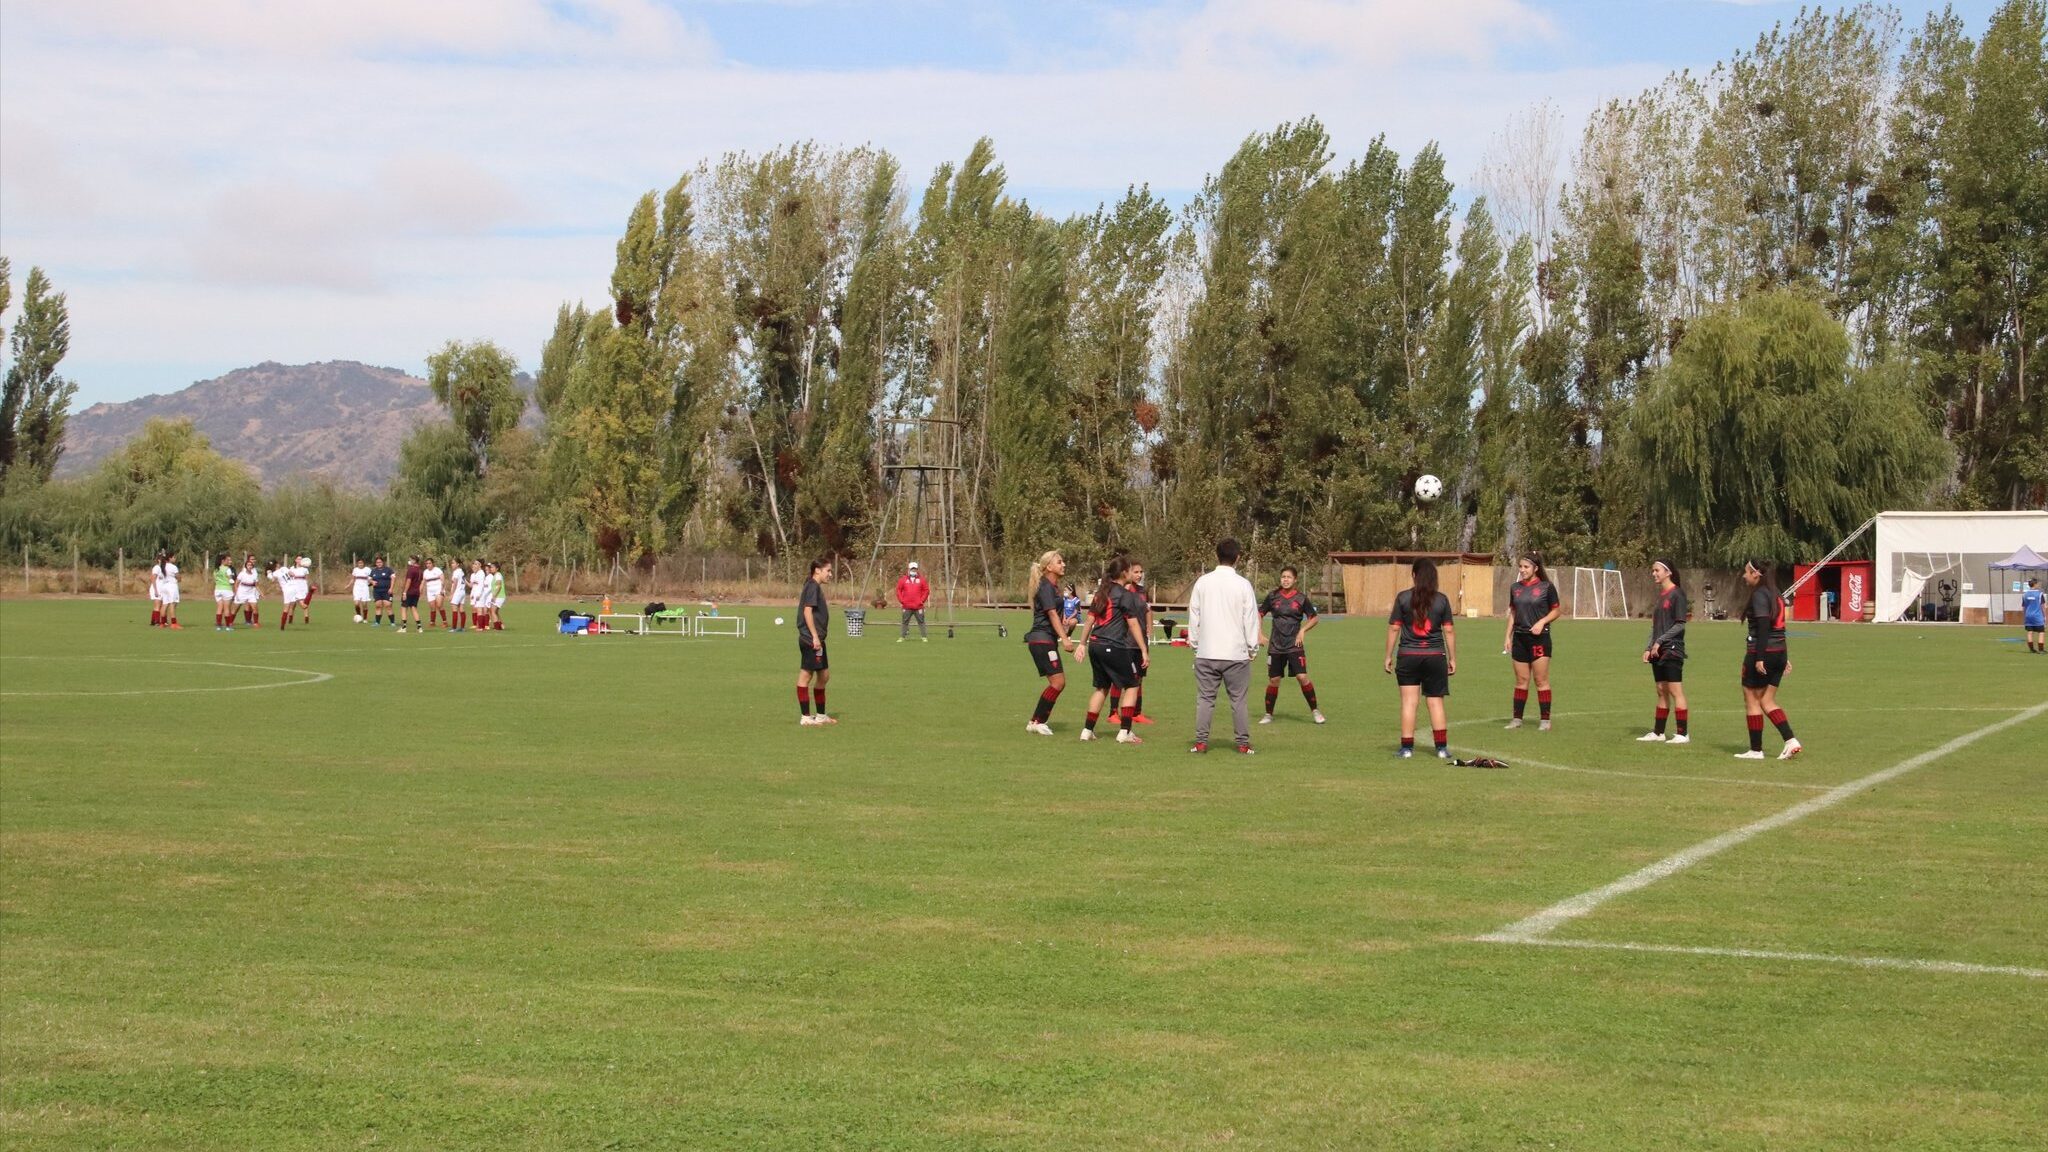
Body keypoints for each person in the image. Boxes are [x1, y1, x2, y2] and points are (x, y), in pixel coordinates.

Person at [1186, 538, 1260, 754]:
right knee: (1239, 701)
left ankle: (1201, 742)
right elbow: (1250, 619)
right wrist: (1252, 647)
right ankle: (1243, 744)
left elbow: (1194, 614)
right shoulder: (1243, 584)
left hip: (1207, 652)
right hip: (1236, 654)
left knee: (1205, 700)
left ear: (1217, 555)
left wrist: (1196, 643)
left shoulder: (1203, 582)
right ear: (1237, 557)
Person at [1073, 556, 1150, 744]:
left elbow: (1090, 620)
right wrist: (1144, 650)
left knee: (1102, 688)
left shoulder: (1102, 592)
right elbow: (1132, 624)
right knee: (1132, 685)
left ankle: (1087, 730)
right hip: (1113, 646)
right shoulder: (1125, 595)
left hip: (1095, 645)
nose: (1134, 573)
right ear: (1124, 573)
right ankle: (1125, 732)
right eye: (1131, 570)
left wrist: (1082, 644)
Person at [1385, 558, 1456, 759]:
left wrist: (1388, 656)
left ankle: (1407, 749)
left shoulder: (1403, 598)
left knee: (1409, 702)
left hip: (1408, 655)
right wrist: (1452, 658)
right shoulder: (1442, 599)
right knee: (1435, 702)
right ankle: (1441, 749)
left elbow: (1394, 627)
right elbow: (1449, 631)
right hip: (1435, 656)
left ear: (1414, 575)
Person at [1737, 560, 1801, 760]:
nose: (1744, 575)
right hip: (1779, 651)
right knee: (1767, 700)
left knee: (1751, 698)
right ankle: (1791, 741)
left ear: (1756, 574)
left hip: (1762, 652)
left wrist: (1760, 658)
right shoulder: (1777, 593)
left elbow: (1764, 627)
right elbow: (1779, 628)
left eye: (1746, 572)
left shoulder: (1759, 595)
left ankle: (1756, 750)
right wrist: (1784, 657)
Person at [1022, 550, 1079, 735]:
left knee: (1058, 683)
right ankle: (1037, 721)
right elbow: (1051, 614)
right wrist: (1065, 639)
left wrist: (1066, 624)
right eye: (1059, 562)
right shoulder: (1045, 586)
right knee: (1058, 682)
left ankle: (1036, 721)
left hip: (1046, 639)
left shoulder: (1053, 587)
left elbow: (1056, 615)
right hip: (1041, 640)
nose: (1064, 565)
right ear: (1049, 567)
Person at [1258, 565, 1324, 725]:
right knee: (1274, 680)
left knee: (1302, 677)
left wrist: (1302, 631)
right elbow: (1259, 614)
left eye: (1288, 577)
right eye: (1283, 577)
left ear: (1295, 580)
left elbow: (1314, 618)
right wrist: (1258, 634)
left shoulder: (1301, 598)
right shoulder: (1273, 596)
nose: (1285, 580)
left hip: (1294, 645)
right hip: (1276, 646)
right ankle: (1268, 714)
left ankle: (1315, 711)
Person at [1503, 553, 1561, 730]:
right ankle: (1517, 719)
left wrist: (1542, 621)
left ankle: (1545, 721)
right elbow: (1513, 612)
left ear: (1536, 568)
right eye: (1520, 567)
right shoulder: (1515, 588)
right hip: (1520, 638)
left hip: (1539, 639)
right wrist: (1507, 636)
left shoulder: (1546, 587)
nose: (1522, 570)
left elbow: (1556, 611)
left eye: (1526, 567)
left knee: (1541, 680)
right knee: (1521, 680)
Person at [1638, 560, 1691, 744]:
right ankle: (1658, 732)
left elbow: (1680, 624)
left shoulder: (1678, 594)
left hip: (1673, 648)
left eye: (1656, 570)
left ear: (1667, 572)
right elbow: (1655, 626)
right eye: (1652, 570)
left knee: (1676, 691)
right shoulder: (1661, 596)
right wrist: (1648, 646)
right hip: (1657, 649)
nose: (1653, 573)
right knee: (1661, 690)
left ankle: (1683, 733)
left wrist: (1660, 641)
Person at [796, 557, 835, 725]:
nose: (830, 574)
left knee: (824, 675)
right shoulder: (812, 586)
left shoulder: (814, 586)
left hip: (817, 640)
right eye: (828, 570)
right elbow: (807, 612)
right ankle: (805, 717)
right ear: (817, 570)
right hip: (811, 639)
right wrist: (814, 636)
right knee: (806, 675)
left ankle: (820, 715)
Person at [1125, 561, 1156, 724]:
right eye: (1135, 571)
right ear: (1128, 573)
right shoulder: (1124, 590)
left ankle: (1137, 712)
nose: (1139, 574)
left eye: (1141, 572)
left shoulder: (1143, 591)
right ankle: (1114, 713)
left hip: (1141, 640)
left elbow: (1148, 610)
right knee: (1127, 676)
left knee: (1140, 676)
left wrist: (1149, 628)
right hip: (1127, 640)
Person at [895, 560, 931, 642]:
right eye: (912, 569)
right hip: (906, 606)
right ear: (909, 569)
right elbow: (898, 590)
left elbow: (926, 590)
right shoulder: (903, 580)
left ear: (917, 570)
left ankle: (924, 637)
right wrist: (902, 600)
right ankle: (902, 637)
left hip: (918, 606)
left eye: (915, 569)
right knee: (905, 622)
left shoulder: (922, 580)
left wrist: (922, 600)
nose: (913, 571)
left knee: (921, 622)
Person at [396, 555, 424, 633]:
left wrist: (405, 592)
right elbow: (421, 581)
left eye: (410, 560)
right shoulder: (420, 570)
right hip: (416, 592)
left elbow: (408, 581)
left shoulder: (411, 570)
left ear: (414, 560)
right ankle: (419, 627)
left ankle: (403, 627)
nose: (409, 561)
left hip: (409, 592)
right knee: (414, 608)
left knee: (404, 608)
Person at [156, 552, 182, 629]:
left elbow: (161, 576)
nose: (175, 558)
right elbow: (178, 577)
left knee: (165, 604)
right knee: (172, 604)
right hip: (172, 586)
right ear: (169, 558)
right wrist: (179, 579)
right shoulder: (173, 567)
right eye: (174, 557)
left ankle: (162, 623)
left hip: (164, 586)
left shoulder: (162, 566)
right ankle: (174, 624)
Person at [234, 554, 262, 627]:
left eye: (254, 559)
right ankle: (244, 621)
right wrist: (237, 593)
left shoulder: (254, 570)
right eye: (252, 559)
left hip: (252, 591)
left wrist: (260, 592)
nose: (253, 561)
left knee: (253, 606)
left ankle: (252, 622)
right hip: (243, 591)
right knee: (240, 607)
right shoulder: (243, 571)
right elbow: (237, 583)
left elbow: (256, 583)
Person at [212, 554, 236, 630]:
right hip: (226, 589)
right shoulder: (227, 569)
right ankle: (228, 626)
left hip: (217, 589)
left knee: (219, 608)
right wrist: (232, 581)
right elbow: (230, 579)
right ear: (223, 561)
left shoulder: (216, 569)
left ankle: (218, 626)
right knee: (226, 608)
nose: (229, 561)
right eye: (227, 560)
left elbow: (215, 580)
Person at [2023, 577, 2045, 654]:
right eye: (2038, 583)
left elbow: (2024, 607)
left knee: (2030, 632)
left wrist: (2024, 616)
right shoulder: (2039, 594)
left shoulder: (2025, 594)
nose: (2038, 584)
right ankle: (2041, 650)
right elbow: (2042, 606)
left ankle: (2032, 649)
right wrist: (2045, 616)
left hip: (2028, 616)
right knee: (2041, 632)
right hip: (2037, 616)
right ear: (2035, 584)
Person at [423, 559, 446, 629]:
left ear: (433, 564)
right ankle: (432, 622)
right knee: (432, 607)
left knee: (439, 605)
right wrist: (420, 589)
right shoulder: (425, 572)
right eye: (427, 564)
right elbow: (423, 581)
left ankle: (445, 622)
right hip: (430, 591)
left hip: (438, 590)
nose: (428, 565)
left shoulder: (437, 570)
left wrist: (442, 589)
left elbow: (443, 579)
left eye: (429, 563)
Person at [447, 557, 468, 631]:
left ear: (458, 564)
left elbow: (455, 583)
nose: (452, 564)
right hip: (462, 592)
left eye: (453, 563)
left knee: (454, 609)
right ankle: (462, 628)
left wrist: (451, 594)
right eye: (451, 563)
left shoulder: (456, 572)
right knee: (461, 609)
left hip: (458, 592)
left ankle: (453, 628)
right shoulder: (461, 571)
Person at [350, 557, 373, 622]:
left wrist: (371, 584)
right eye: (359, 563)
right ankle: (359, 616)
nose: (360, 564)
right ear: (357, 564)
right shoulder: (355, 570)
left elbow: (371, 578)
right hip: (357, 588)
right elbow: (353, 579)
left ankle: (365, 618)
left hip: (365, 588)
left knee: (364, 604)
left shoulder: (368, 569)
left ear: (364, 563)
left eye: (361, 563)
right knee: (356, 603)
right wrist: (348, 585)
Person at [487, 562, 507, 629]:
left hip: (499, 596)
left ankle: (497, 627)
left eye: (492, 567)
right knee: (495, 611)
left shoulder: (498, 575)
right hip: (499, 596)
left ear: (497, 568)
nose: (491, 568)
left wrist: (494, 596)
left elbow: (499, 586)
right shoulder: (495, 575)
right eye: (491, 567)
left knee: (493, 611)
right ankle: (501, 625)